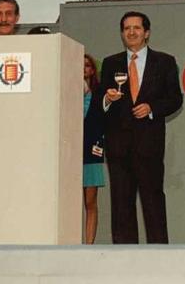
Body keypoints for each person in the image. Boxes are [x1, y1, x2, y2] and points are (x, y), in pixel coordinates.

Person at [99, 11, 182, 243]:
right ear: (122, 34)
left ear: (147, 33)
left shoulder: (165, 61)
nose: (132, 32)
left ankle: (159, 258)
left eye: (136, 28)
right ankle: (124, 261)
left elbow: (175, 99)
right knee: (121, 205)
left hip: (150, 145)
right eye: (127, 28)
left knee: (153, 203)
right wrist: (107, 98)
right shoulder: (110, 63)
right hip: (118, 146)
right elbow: (99, 102)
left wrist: (152, 108)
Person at [82, 53, 105, 244]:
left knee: (90, 202)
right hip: (69, 151)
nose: (84, 69)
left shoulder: (99, 93)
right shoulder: (65, 89)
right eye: (80, 65)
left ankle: (88, 244)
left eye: (88, 66)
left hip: (92, 151)